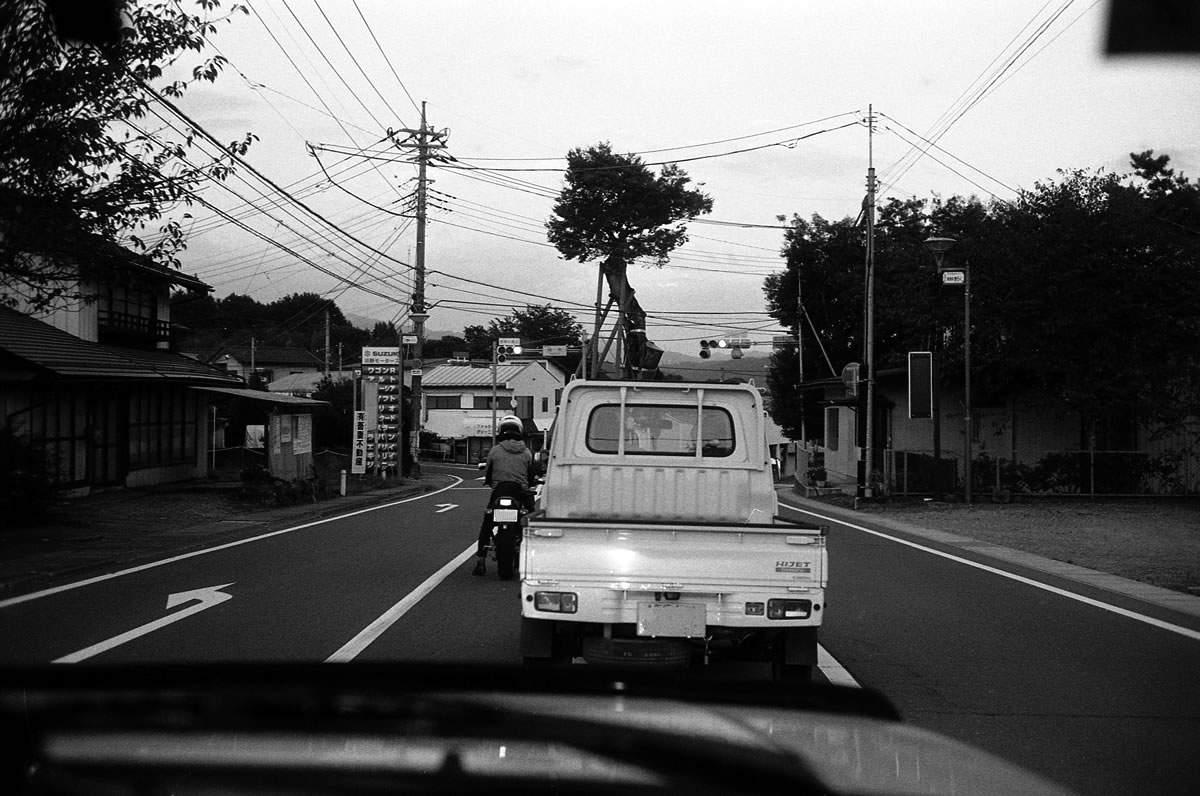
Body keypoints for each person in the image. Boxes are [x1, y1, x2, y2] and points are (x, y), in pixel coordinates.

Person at [473, 415, 537, 576]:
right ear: (520, 432)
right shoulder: (527, 452)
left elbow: (488, 474)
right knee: (530, 518)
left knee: (487, 523)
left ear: (501, 432)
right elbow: (530, 477)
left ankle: (480, 560)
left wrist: (490, 481)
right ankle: (531, 555)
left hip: (500, 492)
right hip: (520, 492)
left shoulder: (495, 450)